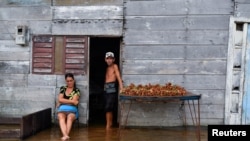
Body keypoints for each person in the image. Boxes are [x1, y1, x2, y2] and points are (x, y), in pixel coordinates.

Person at [57, 73, 80, 141]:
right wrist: (72, 101)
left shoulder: (77, 90)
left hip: (72, 110)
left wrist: (62, 101)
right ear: (65, 81)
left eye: (71, 80)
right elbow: (60, 99)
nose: (69, 82)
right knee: (61, 116)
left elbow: (74, 100)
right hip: (62, 109)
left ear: (74, 80)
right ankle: (66, 135)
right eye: (68, 81)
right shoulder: (63, 88)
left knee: (70, 117)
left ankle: (65, 135)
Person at [104, 51, 123, 130]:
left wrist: (121, 87)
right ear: (105, 60)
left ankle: (108, 126)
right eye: (107, 59)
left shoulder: (115, 66)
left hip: (112, 88)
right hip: (106, 88)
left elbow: (118, 76)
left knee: (109, 107)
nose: (109, 60)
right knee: (108, 107)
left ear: (114, 59)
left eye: (111, 59)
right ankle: (110, 123)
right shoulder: (107, 68)